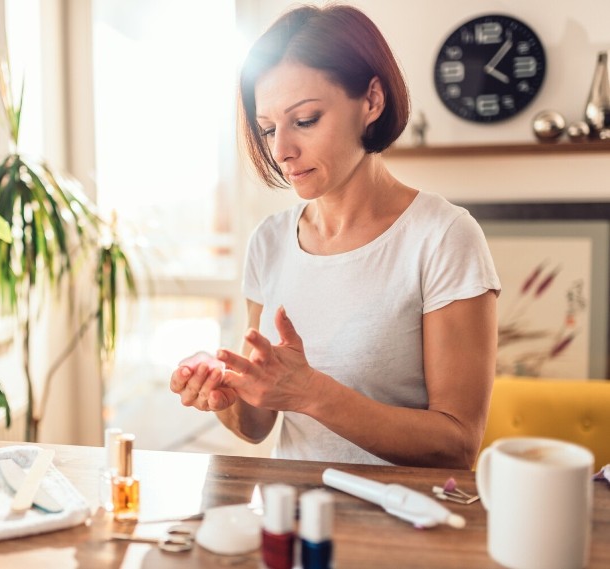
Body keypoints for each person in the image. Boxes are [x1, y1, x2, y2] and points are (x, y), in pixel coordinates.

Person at [169, 3, 500, 469]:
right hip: (292, 521)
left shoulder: (443, 237)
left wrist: (313, 393)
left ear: (371, 101)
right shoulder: (269, 241)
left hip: (405, 529)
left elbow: (459, 443)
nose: (282, 150)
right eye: (267, 129)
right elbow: (257, 424)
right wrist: (223, 392)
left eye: (304, 120)